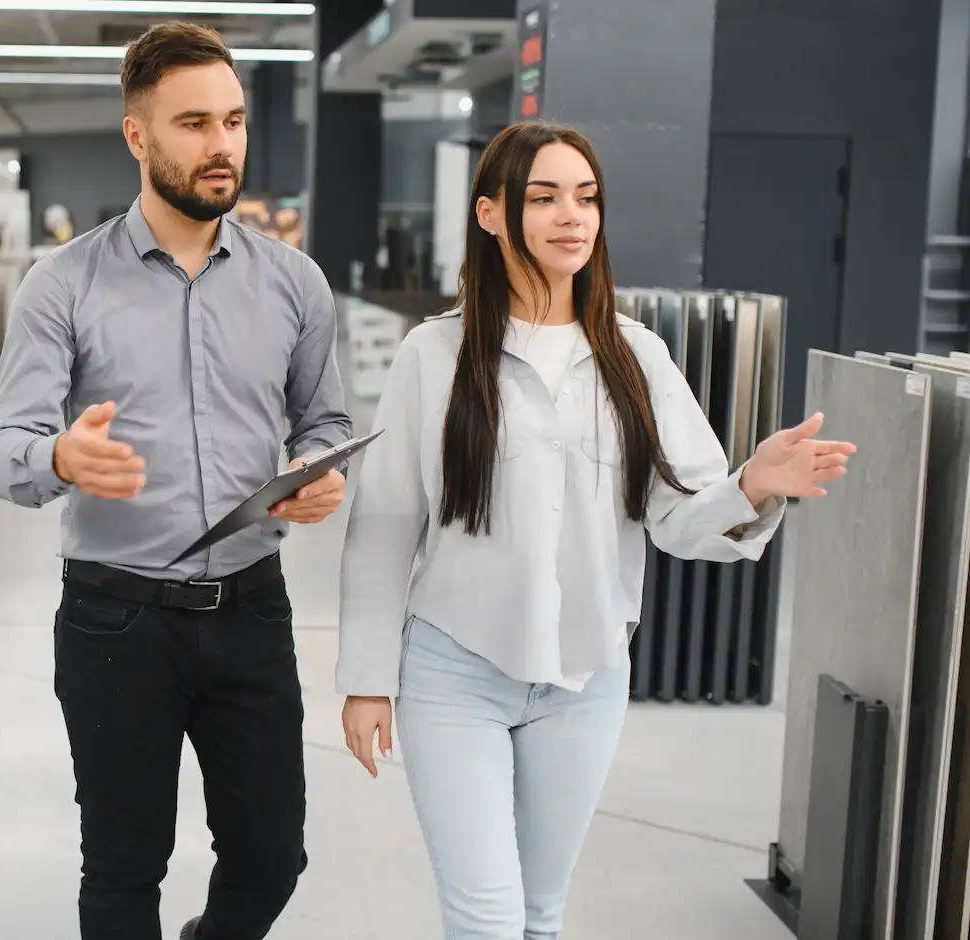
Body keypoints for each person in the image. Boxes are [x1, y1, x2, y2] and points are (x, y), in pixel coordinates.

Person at [333, 121, 856, 940]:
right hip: (453, 674)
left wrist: (752, 482)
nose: (571, 215)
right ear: (491, 215)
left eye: (586, 197)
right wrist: (366, 677)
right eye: (542, 197)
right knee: (488, 920)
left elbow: (681, 516)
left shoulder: (635, 357)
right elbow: (385, 527)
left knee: (540, 916)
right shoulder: (433, 354)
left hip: (586, 680)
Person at [0, 21, 354, 940]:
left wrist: (314, 472)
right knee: (122, 869)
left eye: (232, 120)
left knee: (272, 856)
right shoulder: (62, 284)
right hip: (116, 620)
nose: (221, 144)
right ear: (138, 135)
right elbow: (2, 447)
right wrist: (60, 458)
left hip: (253, 612)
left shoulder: (296, 284)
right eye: (193, 123)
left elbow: (327, 422)